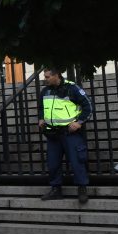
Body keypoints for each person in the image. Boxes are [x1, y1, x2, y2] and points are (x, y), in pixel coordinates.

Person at [39, 68, 93, 203]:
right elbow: (41, 107)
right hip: (52, 134)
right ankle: (56, 189)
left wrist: (79, 122)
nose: (45, 79)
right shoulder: (45, 91)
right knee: (52, 164)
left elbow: (88, 107)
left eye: (47, 77)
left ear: (56, 75)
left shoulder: (72, 88)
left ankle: (82, 189)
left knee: (77, 162)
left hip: (70, 134)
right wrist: (41, 119)